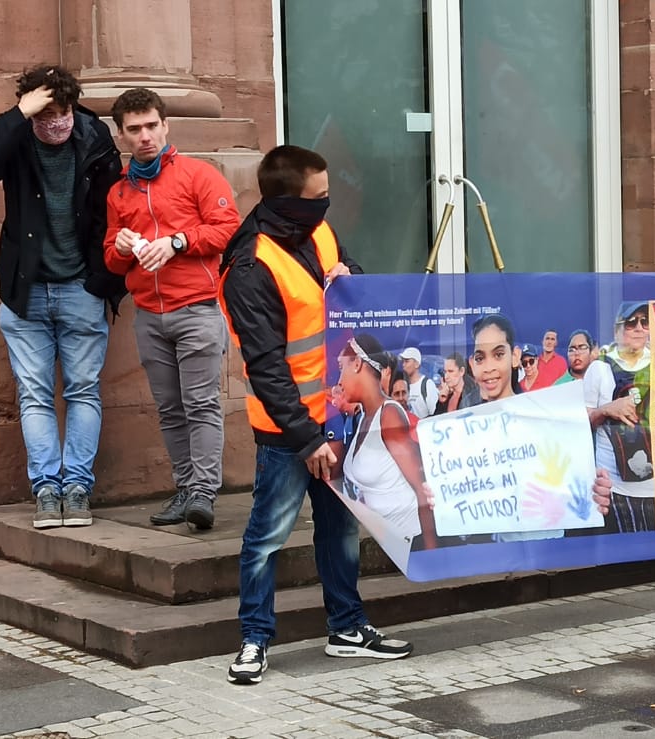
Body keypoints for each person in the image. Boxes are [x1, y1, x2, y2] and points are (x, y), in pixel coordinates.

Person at [221, 144, 412, 686]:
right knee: (267, 535)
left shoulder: (319, 233)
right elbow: (266, 365)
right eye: (319, 197)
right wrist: (307, 440)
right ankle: (254, 640)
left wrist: (350, 276)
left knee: (339, 529)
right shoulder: (250, 265)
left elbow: (356, 289)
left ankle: (347, 629)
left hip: (339, 416)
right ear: (288, 201)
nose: (328, 205)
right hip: (288, 431)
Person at [0, 65, 125, 529]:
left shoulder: (94, 137)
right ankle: (46, 491)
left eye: (62, 110)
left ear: (73, 106)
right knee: (34, 394)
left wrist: (101, 281)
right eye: (44, 111)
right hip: (26, 290)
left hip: (80, 287)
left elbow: (114, 211)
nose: (54, 121)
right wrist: (19, 115)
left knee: (82, 391)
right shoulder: (12, 132)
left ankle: (77, 488)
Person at [104, 88, 241, 530]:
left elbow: (227, 229)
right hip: (149, 314)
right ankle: (186, 489)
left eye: (151, 126)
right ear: (121, 134)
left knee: (200, 403)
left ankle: (203, 492)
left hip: (197, 307)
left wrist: (177, 241)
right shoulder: (120, 192)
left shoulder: (199, 175)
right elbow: (109, 256)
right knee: (169, 408)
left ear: (165, 126)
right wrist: (122, 246)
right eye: (134, 129)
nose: (145, 136)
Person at [337, 333, 437, 552]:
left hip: (410, 543)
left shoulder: (389, 415)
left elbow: (421, 488)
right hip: (387, 541)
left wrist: (432, 554)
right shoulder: (364, 417)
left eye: (341, 368)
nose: (339, 380)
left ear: (356, 364)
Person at [582, 302, 655, 533]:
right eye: (631, 323)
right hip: (615, 485)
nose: (639, 328)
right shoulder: (599, 368)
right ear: (617, 331)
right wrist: (606, 410)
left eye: (644, 322)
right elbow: (583, 421)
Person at [468, 314, 521, 403]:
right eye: (479, 359)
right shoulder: (469, 415)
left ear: (515, 356)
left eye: (499, 355)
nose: (489, 368)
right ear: (472, 365)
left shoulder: (532, 412)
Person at [399, 347, 438, 419]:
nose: (403, 365)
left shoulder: (427, 384)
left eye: (407, 361)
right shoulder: (402, 385)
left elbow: (434, 414)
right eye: (403, 361)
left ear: (416, 364)